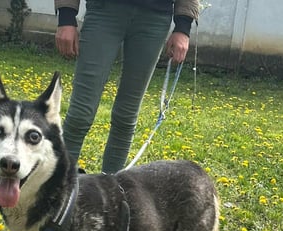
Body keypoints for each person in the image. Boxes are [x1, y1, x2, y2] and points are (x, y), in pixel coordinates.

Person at [54, 0, 199, 173]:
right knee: (80, 113)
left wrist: (183, 27)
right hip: (104, 11)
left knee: (126, 116)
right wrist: (66, 16)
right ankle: (57, 188)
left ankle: (111, 193)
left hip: (155, 18)